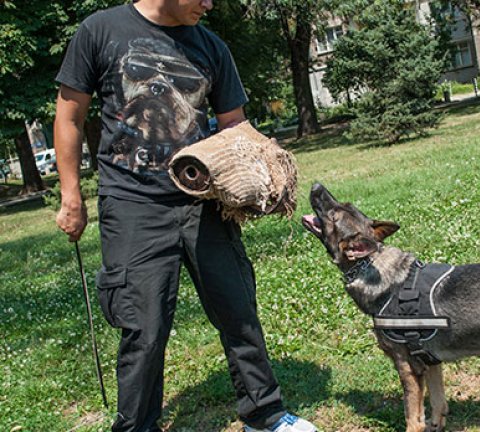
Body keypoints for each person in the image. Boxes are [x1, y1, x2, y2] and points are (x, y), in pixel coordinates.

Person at [53, 1, 317, 432]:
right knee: (145, 325)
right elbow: (69, 115)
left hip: (203, 199)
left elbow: (234, 124)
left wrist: (260, 165)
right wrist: (71, 195)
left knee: (237, 307)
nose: (210, 5)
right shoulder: (99, 31)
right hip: (131, 202)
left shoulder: (212, 47)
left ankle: (264, 414)